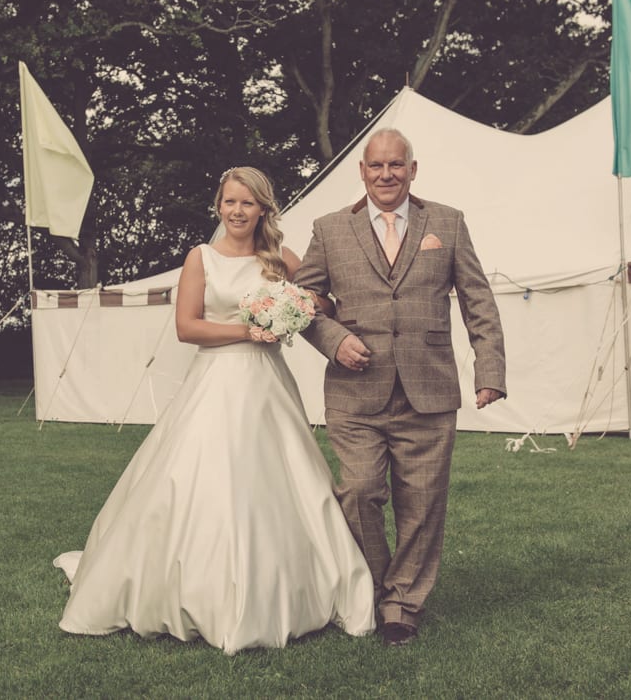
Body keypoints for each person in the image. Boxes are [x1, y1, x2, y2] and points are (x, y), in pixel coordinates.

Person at [53, 166, 375, 654]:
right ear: (218, 206)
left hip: (268, 385)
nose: (237, 211)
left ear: (263, 209)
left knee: (279, 479)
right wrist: (250, 330)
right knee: (203, 478)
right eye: (229, 202)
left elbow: (319, 301)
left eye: (247, 203)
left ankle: (296, 586)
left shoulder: (280, 259)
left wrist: (291, 309)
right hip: (216, 380)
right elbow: (188, 327)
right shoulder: (201, 258)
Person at [294, 128, 506, 647]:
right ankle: (372, 580)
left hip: (429, 389)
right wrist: (333, 338)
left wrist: (490, 370)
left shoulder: (448, 224)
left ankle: (402, 605)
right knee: (359, 491)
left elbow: (477, 299)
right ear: (362, 172)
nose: (386, 175)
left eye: (396, 165)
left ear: (413, 170)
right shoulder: (328, 229)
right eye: (376, 166)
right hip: (354, 391)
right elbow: (300, 300)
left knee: (422, 503)